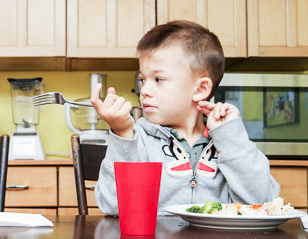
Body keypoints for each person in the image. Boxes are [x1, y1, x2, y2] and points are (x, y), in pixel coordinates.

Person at [91, 20, 280, 215]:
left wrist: (230, 136)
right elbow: (113, 206)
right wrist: (122, 134)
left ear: (200, 89)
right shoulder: (138, 140)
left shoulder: (226, 140)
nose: (144, 90)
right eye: (142, 80)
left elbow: (264, 203)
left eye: (159, 79)